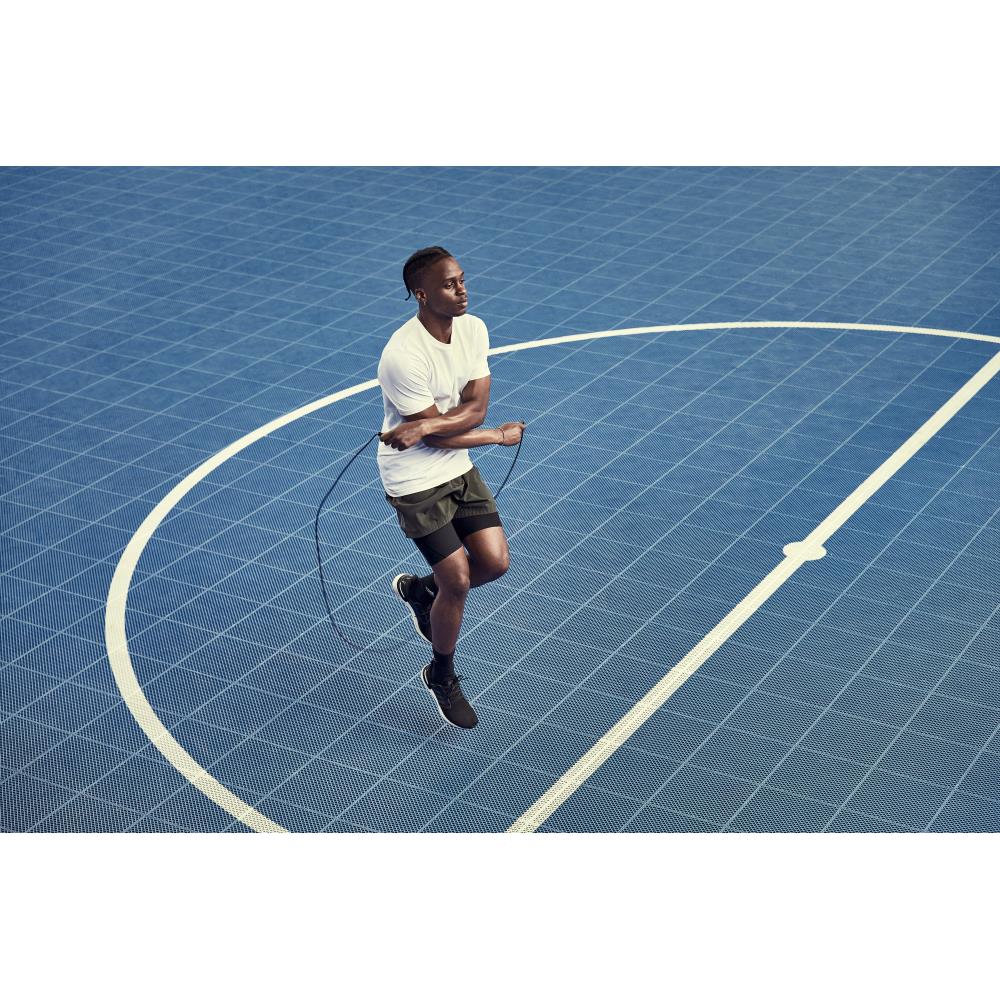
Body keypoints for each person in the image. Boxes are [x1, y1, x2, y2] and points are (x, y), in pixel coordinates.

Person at [377, 246, 524, 729]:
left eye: (462, 279)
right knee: (458, 579)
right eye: (448, 284)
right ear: (421, 294)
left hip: (456, 467)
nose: (462, 290)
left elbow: (475, 408)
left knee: (494, 563)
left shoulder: (474, 329)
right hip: (414, 480)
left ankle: (422, 592)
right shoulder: (402, 356)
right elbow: (442, 433)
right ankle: (441, 674)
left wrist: (429, 425)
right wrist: (494, 436)